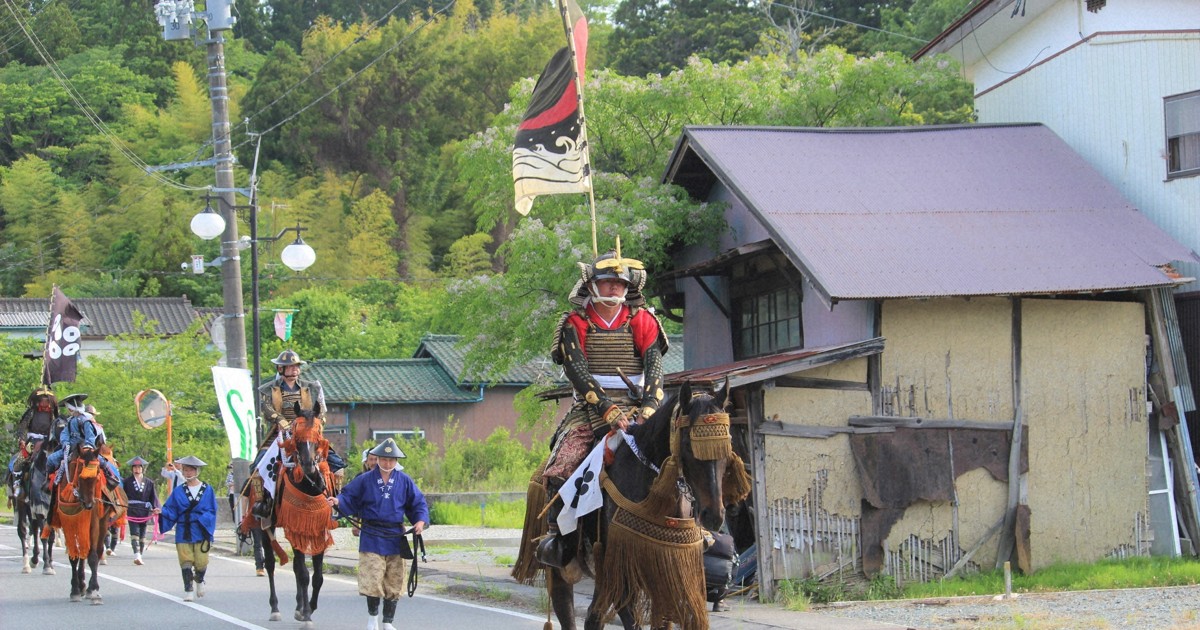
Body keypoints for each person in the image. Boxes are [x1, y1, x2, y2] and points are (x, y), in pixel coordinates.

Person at [536, 245, 669, 571]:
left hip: (639, 409)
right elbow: (578, 373)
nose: (615, 287)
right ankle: (560, 537)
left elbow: (655, 369)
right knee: (563, 462)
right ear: (592, 284)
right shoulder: (574, 323)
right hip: (590, 410)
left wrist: (648, 408)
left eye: (621, 283)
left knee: (680, 457)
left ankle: (698, 531)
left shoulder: (643, 320)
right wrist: (609, 410)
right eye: (609, 281)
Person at [329, 438, 428, 630]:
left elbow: (418, 503)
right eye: (384, 459)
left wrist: (420, 521)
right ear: (377, 459)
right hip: (371, 534)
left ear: (396, 461)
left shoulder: (404, 481)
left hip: (395, 535)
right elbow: (349, 496)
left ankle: (387, 621)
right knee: (372, 577)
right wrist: (338, 501)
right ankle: (372, 618)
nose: (387, 463)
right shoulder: (365, 479)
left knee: (394, 579)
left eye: (391, 460)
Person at [249, 349, 329, 518]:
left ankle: (334, 499)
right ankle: (262, 502)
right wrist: (283, 422)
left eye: (297, 366)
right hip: (280, 434)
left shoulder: (311, 387)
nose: (295, 369)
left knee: (337, 464)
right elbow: (267, 409)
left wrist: (317, 423)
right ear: (281, 369)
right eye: (291, 367)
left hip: (307, 434)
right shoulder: (269, 389)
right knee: (258, 466)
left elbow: (321, 409)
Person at [159, 455, 217, 602]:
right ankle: (188, 590)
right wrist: (161, 512)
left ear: (197, 471)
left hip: (201, 529)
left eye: (191, 470)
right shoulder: (178, 491)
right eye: (185, 470)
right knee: (185, 561)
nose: (188, 473)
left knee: (201, 562)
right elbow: (171, 509)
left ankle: (199, 579)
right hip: (183, 529)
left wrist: (204, 521)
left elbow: (212, 510)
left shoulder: (207, 490)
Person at [46, 394, 119, 489]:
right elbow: (64, 434)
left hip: (85, 448)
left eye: (69, 408)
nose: (68, 410)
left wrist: (88, 445)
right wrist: (65, 443)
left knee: (101, 461)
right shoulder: (70, 420)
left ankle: (110, 476)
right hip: (69, 448)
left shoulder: (86, 420)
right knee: (50, 459)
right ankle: (49, 482)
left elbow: (90, 435)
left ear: (71, 409)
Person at [122, 456, 161, 565]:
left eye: (139, 467)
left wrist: (156, 507)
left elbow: (153, 497)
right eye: (135, 467)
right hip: (132, 509)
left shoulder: (149, 482)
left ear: (142, 468)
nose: (137, 469)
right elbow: (123, 496)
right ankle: (136, 555)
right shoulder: (127, 481)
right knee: (134, 532)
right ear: (132, 468)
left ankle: (141, 555)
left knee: (143, 534)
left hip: (144, 510)